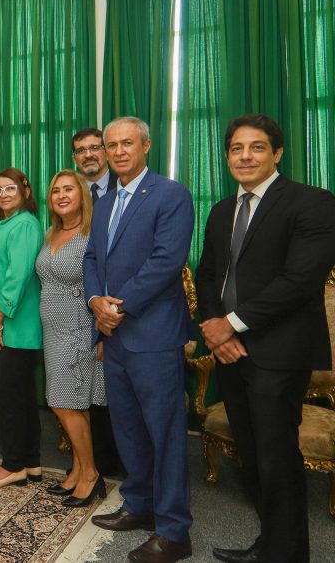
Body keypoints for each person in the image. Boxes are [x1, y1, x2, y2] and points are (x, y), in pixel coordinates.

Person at [196, 114, 335, 563]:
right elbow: (208, 277)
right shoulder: (221, 211)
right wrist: (217, 333)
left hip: (279, 352)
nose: (245, 156)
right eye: (236, 148)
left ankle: (288, 554)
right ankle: (270, 544)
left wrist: (230, 323)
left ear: (277, 153)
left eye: (256, 147)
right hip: (230, 354)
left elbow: (299, 281)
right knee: (251, 455)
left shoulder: (312, 202)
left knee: (277, 459)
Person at [84, 116, 194, 563]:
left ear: (146, 145)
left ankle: (174, 531)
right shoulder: (106, 200)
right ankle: (141, 504)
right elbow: (93, 257)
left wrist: (119, 306)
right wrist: (95, 300)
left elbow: (167, 261)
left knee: (165, 433)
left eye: (127, 143)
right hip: (115, 335)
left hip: (152, 334)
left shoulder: (171, 194)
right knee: (128, 428)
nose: (119, 151)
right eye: (112, 145)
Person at [36, 170, 107, 506]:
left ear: (82, 194)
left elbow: (107, 283)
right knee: (73, 404)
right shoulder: (51, 233)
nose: (61, 196)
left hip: (79, 328)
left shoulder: (93, 233)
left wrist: (103, 335)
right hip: (53, 331)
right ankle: (79, 470)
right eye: (55, 191)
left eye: (68, 189)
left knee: (64, 402)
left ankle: (91, 475)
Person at [0, 168, 44, 488]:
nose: (2, 194)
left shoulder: (26, 225)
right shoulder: (6, 225)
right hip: (8, 325)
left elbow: (17, 275)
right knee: (22, 395)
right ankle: (30, 462)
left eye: (9, 188)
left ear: (25, 191)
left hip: (15, 324)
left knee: (11, 396)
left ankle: (13, 464)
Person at [72, 127, 120, 476]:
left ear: (105, 152)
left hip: (119, 308)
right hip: (82, 304)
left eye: (94, 148)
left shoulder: (125, 191)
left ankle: (119, 462)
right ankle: (97, 459)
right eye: (80, 150)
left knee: (113, 391)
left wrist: (107, 316)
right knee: (89, 388)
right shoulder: (72, 194)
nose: (88, 155)